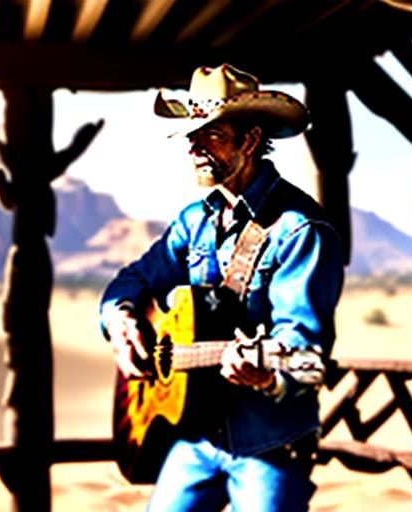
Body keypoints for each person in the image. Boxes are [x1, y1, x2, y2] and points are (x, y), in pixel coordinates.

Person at [100, 63, 344, 512]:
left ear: (249, 141)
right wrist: (120, 322)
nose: (193, 145)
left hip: (268, 443)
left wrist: (267, 372)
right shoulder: (194, 222)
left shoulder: (299, 230)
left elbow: (309, 361)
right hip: (195, 436)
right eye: (192, 134)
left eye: (209, 133)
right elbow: (130, 281)